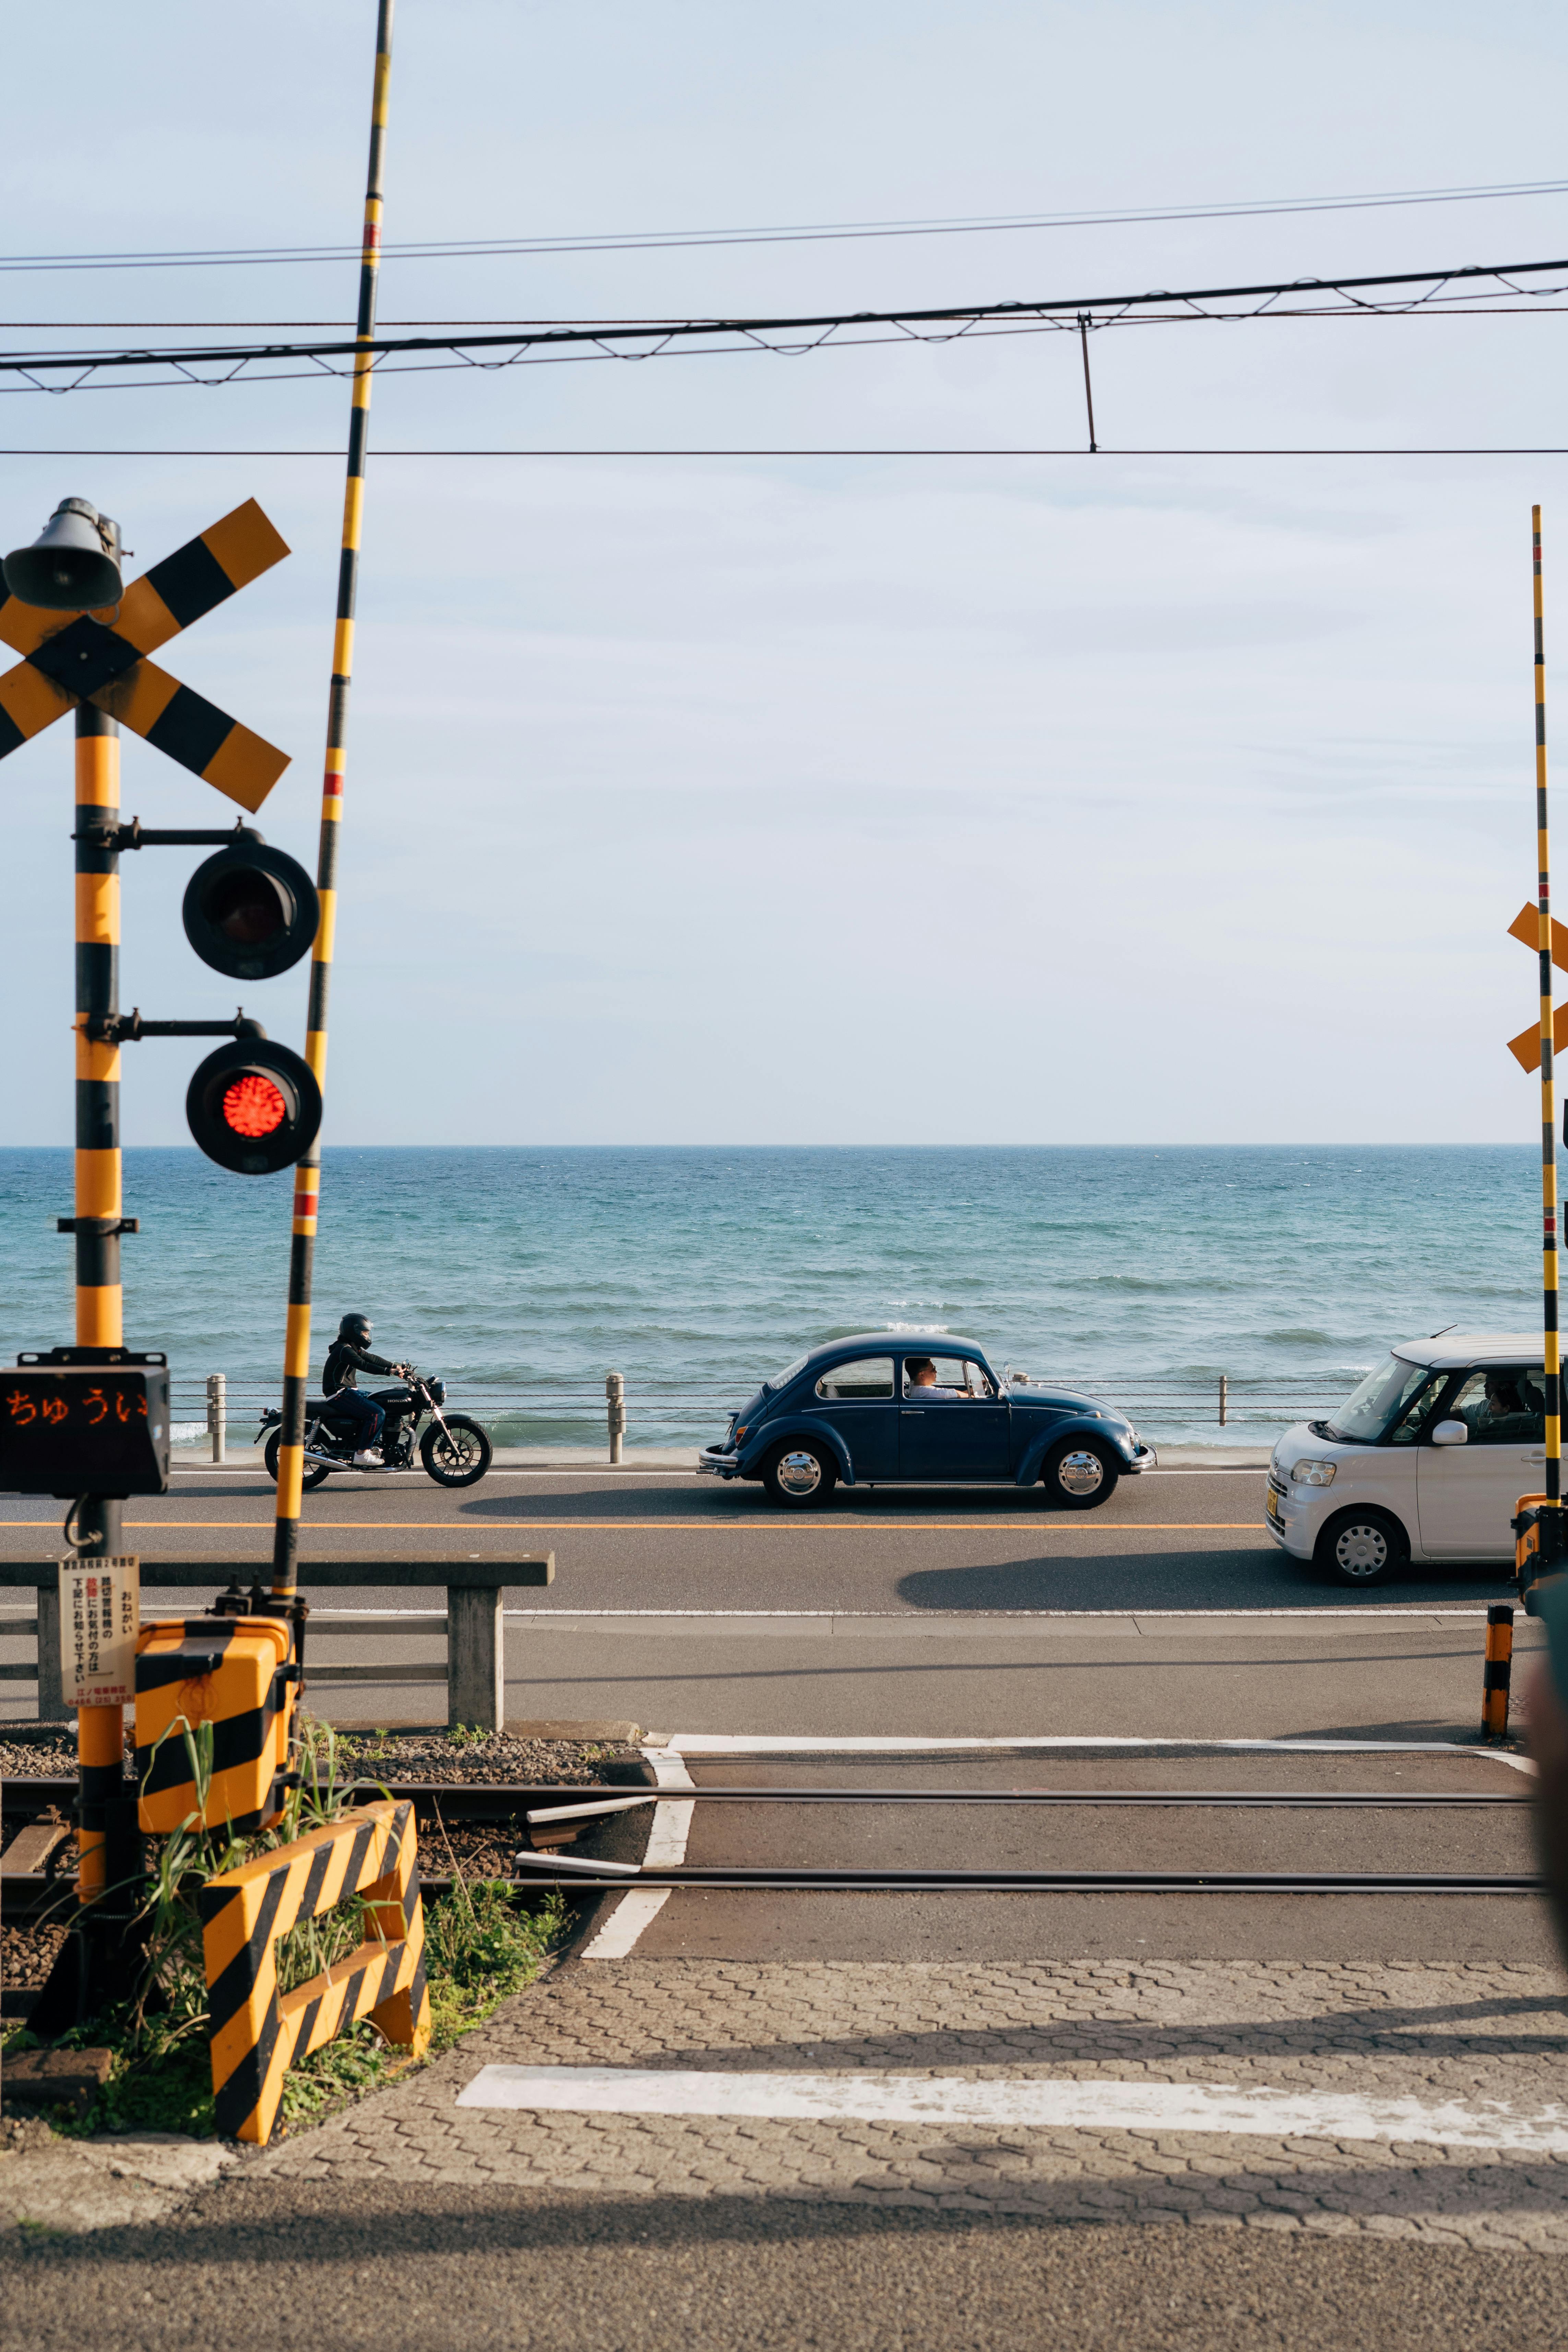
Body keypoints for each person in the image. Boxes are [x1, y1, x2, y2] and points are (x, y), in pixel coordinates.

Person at [322, 1312, 410, 1468]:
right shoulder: (344, 1350)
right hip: (339, 1394)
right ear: (354, 1332)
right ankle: (363, 1453)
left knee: (381, 1402)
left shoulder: (352, 1347)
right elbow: (364, 1365)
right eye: (365, 1332)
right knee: (377, 1413)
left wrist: (396, 1366)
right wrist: (389, 1372)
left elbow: (372, 1359)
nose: (367, 1335)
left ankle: (375, 1445)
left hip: (349, 1391)